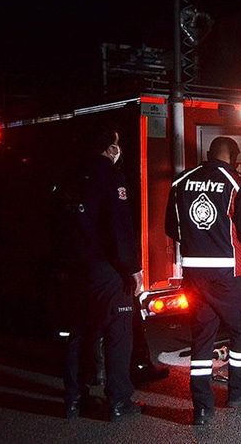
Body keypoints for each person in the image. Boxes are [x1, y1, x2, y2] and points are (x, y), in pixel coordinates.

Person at [165, 136, 241, 426]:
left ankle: (202, 407)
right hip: (226, 273)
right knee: (240, 329)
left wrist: (200, 243)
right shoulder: (234, 182)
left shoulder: (181, 181)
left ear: (208, 154)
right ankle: (238, 393)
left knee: (202, 335)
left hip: (194, 273)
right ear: (234, 157)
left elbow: (172, 227)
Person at [62, 124, 144, 422]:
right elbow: (120, 229)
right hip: (109, 272)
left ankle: (73, 399)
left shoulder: (70, 178)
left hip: (76, 270)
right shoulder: (112, 177)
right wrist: (133, 269)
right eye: (116, 144)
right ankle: (119, 401)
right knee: (117, 335)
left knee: (79, 334)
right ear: (111, 149)